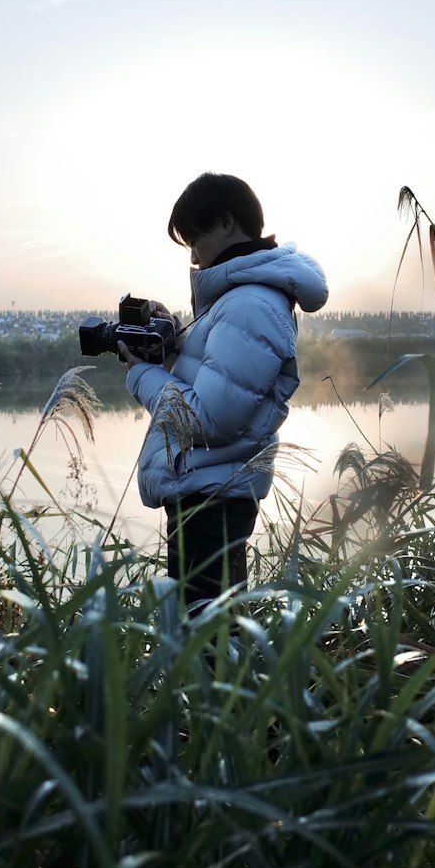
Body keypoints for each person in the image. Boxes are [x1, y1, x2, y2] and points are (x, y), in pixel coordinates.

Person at [118, 173, 328, 613]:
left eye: (194, 239)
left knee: (208, 641)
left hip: (214, 497)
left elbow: (208, 419)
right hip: (206, 488)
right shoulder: (239, 301)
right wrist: (172, 340)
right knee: (209, 633)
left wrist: (143, 375)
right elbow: (216, 380)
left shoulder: (251, 304)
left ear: (227, 222)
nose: (193, 256)